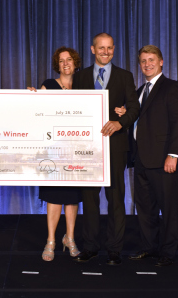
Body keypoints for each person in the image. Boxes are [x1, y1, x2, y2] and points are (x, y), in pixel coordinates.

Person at [72, 33, 140, 265]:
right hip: (87, 149)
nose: (106, 52)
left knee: (116, 199)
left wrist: (120, 122)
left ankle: (114, 249)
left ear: (114, 49)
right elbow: (69, 108)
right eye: (101, 48)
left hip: (116, 147)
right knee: (89, 200)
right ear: (92, 49)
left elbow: (134, 108)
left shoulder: (125, 76)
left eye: (109, 48)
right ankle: (90, 247)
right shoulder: (79, 77)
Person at [126, 45, 178, 267]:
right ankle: (148, 248)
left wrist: (173, 155)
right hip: (141, 159)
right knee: (145, 208)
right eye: (143, 61)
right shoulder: (140, 91)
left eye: (151, 60)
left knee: (169, 209)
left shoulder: (172, 87)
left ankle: (168, 252)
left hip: (164, 159)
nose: (147, 64)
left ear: (161, 62)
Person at [34, 47, 83, 261]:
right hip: (53, 150)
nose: (65, 63)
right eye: (61, 60)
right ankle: (51, 240)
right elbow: (36, 112)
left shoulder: (84, 86)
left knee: (73, 198)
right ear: (57, 64)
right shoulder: (49, 85)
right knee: (54, 197)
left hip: (78, 151)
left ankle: (69, 238)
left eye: (69, 60)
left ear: (75, 62)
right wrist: (31, 97)